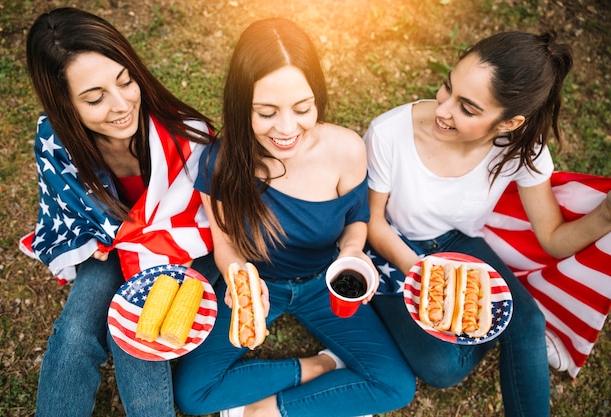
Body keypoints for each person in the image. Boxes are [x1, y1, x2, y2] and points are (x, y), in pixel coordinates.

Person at [173, 17, 415, 417]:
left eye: (302, 108)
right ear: (241, 106)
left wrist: (353, 251)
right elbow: (226, 244)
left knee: (396, 385)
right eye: (266, 112)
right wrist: (238, 276)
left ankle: (266, 410)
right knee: (194, 394)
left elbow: (356, 214)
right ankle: (322, 365)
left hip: (325, 285)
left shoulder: (347, 149)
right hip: (259, 286)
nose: (287, 129)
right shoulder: (220, 162)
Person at [364, 30, 611, 417]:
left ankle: (497, 335)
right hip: (396, 248)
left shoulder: (520, 149)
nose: (443, 109)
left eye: (467, 107)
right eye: (447, 87)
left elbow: (553, 239)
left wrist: (605, 216)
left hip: (460, 242)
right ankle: (480, 333)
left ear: (509, 123)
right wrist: (429, 279)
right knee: (443, 369)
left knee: (528, 322)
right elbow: (372, 223)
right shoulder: (389, 133)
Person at [22, 7, 220, 417]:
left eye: (125, 80)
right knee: (75, 334)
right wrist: (89, 238)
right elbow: (64, 212)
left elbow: (214, 216)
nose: (121, 104)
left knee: (133, 341)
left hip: (183, 243)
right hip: (113, 244)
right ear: (64, 105)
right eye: (94, 98)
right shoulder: (55, 141)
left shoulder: (187, 135)